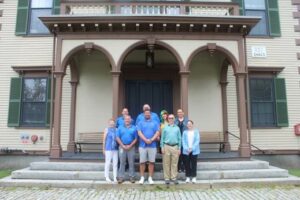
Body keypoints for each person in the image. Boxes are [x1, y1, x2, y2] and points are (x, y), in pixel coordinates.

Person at [137, 109, 160, 185]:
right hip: (142, 146)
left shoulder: (155, 122)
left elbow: (157, 132)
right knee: (142, 162)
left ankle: (150, 178)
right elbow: (139, 132)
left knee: (151, 162)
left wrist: (151, 139)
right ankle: (142, 178)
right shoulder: (140, 123)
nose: (147, 115)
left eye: (148, 113)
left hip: (152, 145)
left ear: (150, 114)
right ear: (144, 114)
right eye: (146, 114)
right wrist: (145, 140)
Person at [116, 115, 138, 184]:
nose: (127, 120)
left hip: (131, 147)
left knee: (131, 163)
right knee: (122, 163)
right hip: (122, 147)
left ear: (131, 120)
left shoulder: (134, 128)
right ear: (124, 120)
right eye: (126, 119)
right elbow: (117, 137)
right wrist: (122, 145)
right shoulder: (120, 127)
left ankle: (132, 177)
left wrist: (130, 145)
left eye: (128, 119)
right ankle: (121, 177)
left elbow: (136, 138)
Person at [160, 114, 181, 185]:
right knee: (166, 163)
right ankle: (167, 178)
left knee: (174, 163)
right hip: (166, 146)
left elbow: (179, 139)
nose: (171, 119)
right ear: (168, 119)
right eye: (169, 118)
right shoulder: (165, 128)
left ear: (174, 119)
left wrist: (179, 148)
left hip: (175, 147)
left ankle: (174, 177)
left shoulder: (177, 128)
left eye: (172, 118)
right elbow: (162, 138)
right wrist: (162, 147)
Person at [103, 119, 118, 183]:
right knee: (108, 163)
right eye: (110, 123)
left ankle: (115, 177)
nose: (112, 124)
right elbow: (104, 140)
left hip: (115, 149)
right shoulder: (106, 129)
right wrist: (103, 149)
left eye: (113, 123)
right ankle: (107, 176)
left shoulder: (116, 130)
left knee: (115, 163)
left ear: (114, 124)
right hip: (108, 148)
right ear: (108, 123)